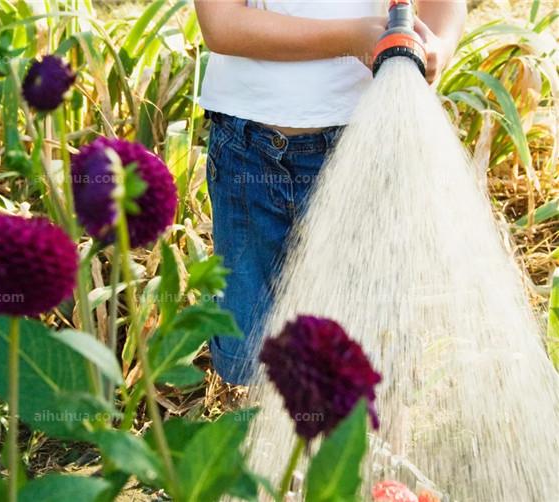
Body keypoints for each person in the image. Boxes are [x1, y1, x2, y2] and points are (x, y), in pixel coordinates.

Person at [195, 0, 467, 384]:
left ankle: (372, 441)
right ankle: (269, 439)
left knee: (372, 341)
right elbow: (221, 24)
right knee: (251, 350)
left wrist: (438, 43)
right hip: (249, 151)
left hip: (365, 138)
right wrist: (352, 37)